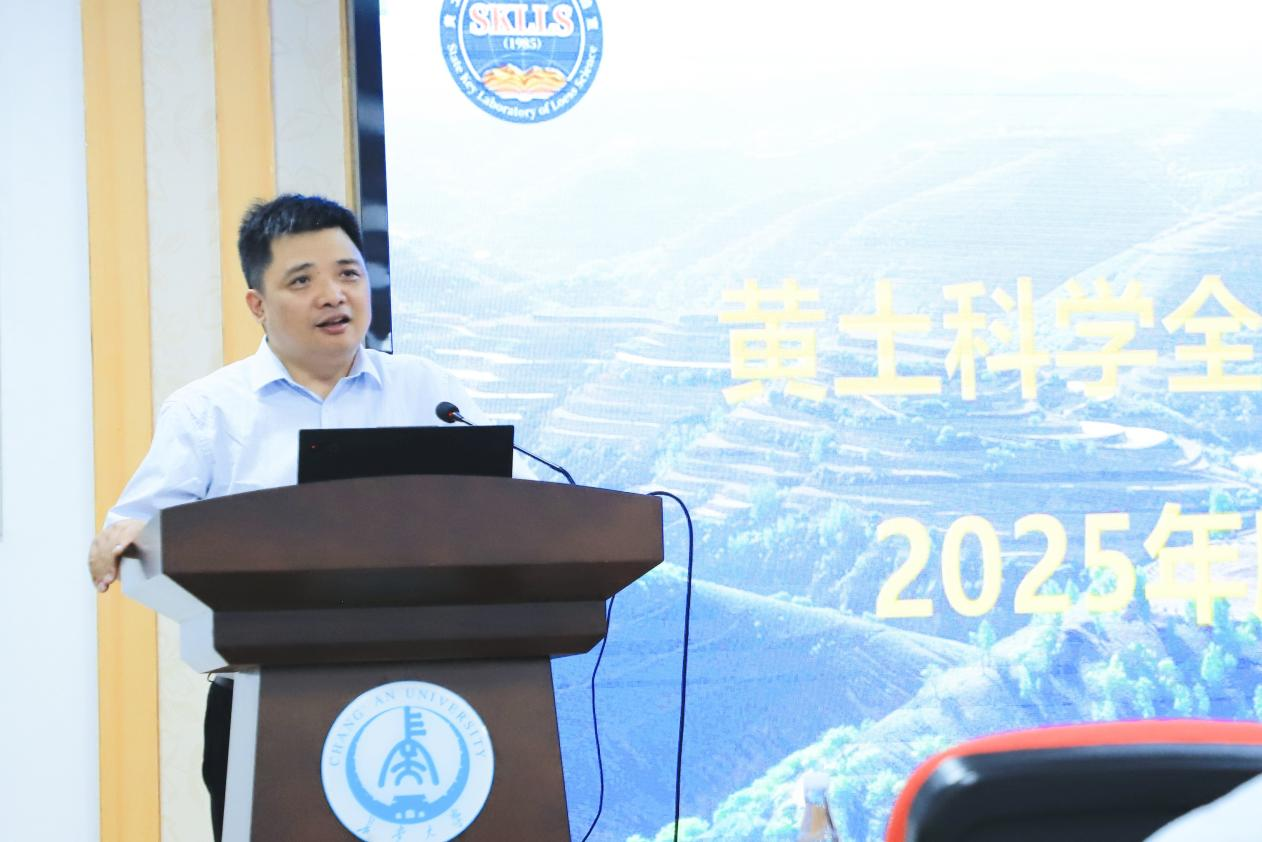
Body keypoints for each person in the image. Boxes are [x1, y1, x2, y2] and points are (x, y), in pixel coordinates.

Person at [86, 194, 494, 841]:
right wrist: (137, 538)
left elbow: (515, 512)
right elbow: (134, 538)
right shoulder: (208, 412)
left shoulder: (429, 392)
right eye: (302, 281)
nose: (333, 295)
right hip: (263, 704)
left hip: (429, 700)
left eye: (348, 273)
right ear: (257, 304)